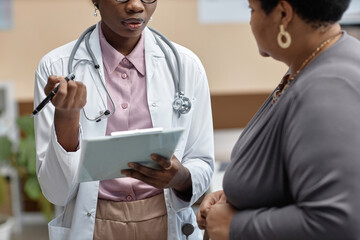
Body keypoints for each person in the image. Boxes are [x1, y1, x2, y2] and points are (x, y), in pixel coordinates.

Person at [33, 0, 214, 239]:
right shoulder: (56, 68)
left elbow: (202, 160)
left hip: (165, 220)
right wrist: (67, 117)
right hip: (94, 223)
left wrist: (181, 178)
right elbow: (56, 192)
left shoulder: (186, 66)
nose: (136, 6)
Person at [197, 0, 360, 239]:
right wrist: (237, 196)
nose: (251, 21)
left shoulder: (326, 87)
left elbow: (336, 223)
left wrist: (236, 225)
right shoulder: (312, 63)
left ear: (283, 14)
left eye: (252, 10)